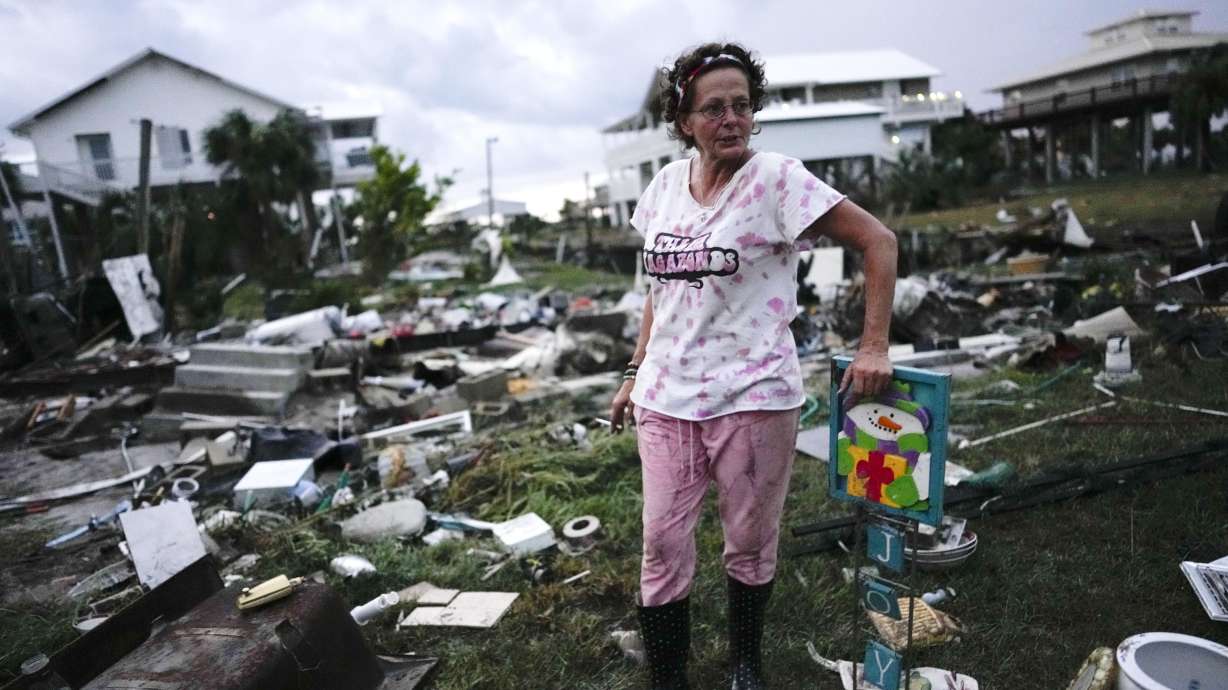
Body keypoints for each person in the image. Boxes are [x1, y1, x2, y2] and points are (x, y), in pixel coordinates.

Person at [609, 42, 898, 690]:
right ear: (684, 120)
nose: (732, 119)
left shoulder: (777, 179)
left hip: (754, 397)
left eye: (742, 105)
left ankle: (744, 663)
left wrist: (873, 345)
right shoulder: (660, 190)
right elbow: (660, 293)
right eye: (714, 108)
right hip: (666, 399)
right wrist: (633, 373)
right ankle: (668, 679)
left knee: (748, 542)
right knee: (661, 542)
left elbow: (878, 242)